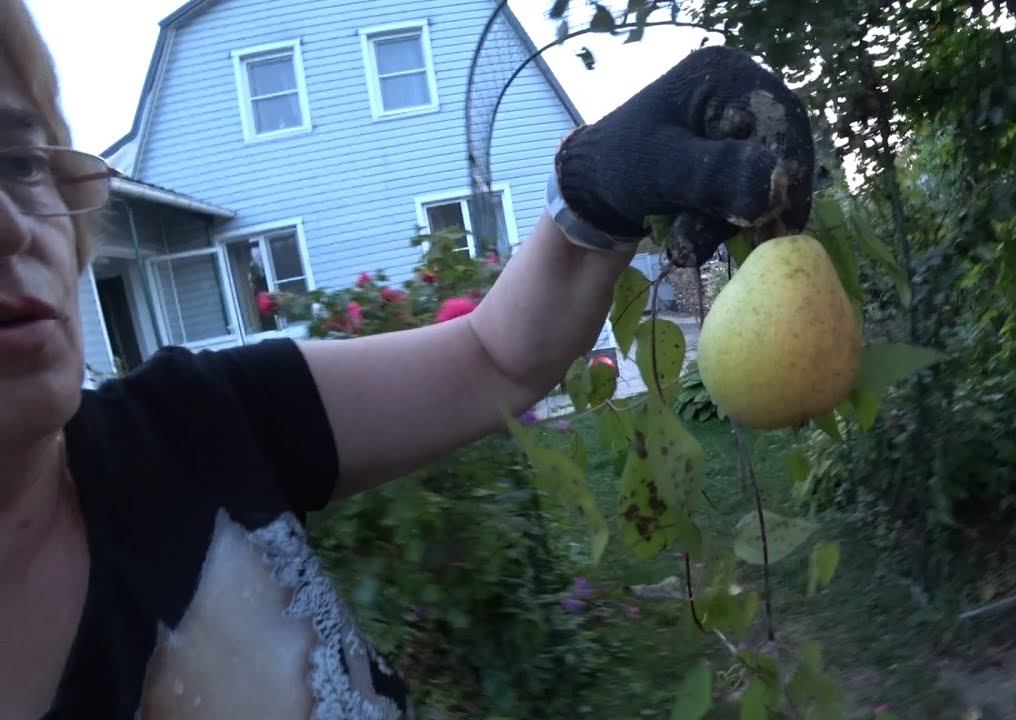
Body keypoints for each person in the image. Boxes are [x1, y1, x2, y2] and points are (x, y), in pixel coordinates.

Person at [0, 0, 814, 717]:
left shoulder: (188, 428)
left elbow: (495, 357)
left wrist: (596, 188)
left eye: (16, 162)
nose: (10, 224)